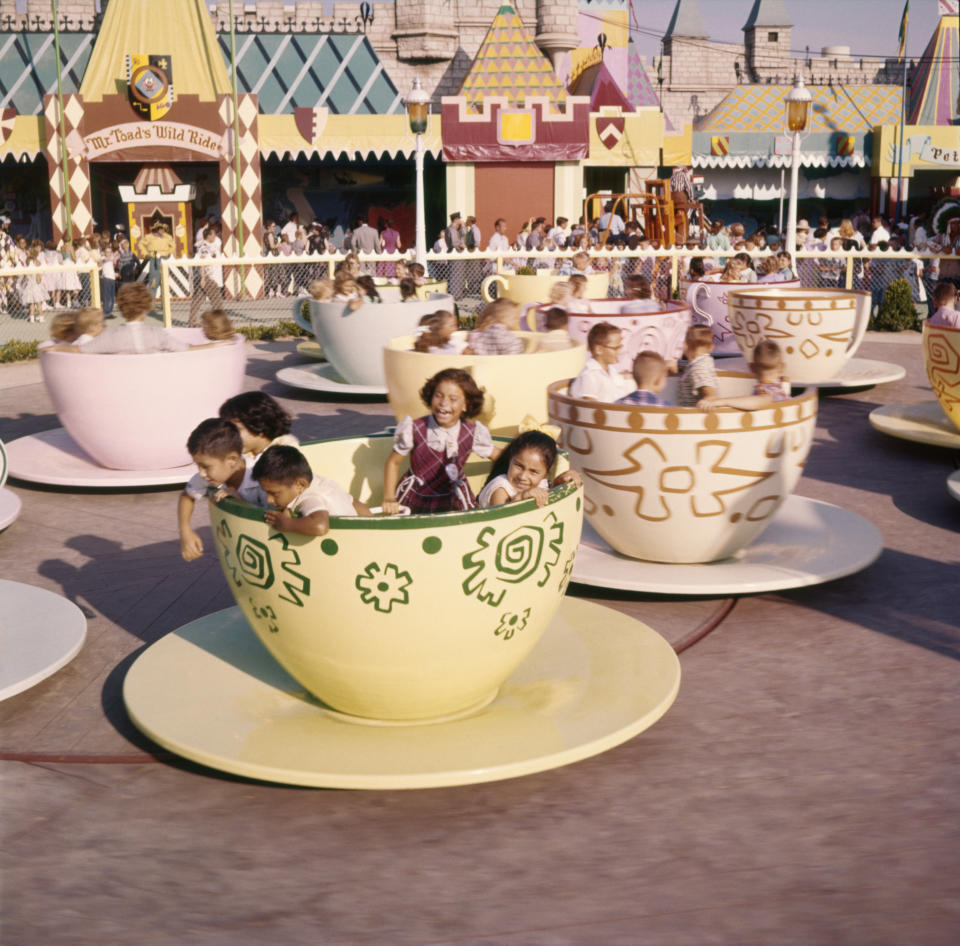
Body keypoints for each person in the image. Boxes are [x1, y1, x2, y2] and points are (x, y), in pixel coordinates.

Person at [382, 368, 501, 514]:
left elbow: (500, 457)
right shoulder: (414, 428)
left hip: (454, 496)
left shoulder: (473, 433)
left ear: (465, 404)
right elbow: (393, 463)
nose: (443, 403)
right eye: (438, 395)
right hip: (417, 495)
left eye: (453, 399)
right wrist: (389, 498)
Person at [178, 418, 265, 561]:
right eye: (198, 466)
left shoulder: (261, 478)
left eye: (206, 466)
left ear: (232, 460)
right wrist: (185, 531)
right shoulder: (211, 475)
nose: (201, 473)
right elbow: (187, 496)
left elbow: (273, 516)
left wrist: (240, 501)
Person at [252, 445, 365, 536]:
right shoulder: (322, 483)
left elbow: (320, 526)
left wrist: (287, 524)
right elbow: (357, 504)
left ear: (300, 485)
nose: (269, 500)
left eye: (274, 493)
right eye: (266, 492)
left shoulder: (308, 497)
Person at [72, 282, 187, 354]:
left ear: (122, 308)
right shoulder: (158, 335)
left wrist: (55, 348)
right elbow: (186, 349)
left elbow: (78, 350)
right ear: (146, 307)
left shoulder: (110, 337)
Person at [477, 430, 581, 508]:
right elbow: (502, 521)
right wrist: (521, 497)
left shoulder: (541, 484)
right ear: (510, 460)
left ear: (546, 473)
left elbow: (548, 500)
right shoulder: (500, 488)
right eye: (518, 466)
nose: (523, 477)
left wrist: (560, 482)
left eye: (533, 472)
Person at [700, 340, 789, 411]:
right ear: (782, 367)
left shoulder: (767, 390)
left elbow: (762, 400)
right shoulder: (778, 387)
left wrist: (723, 402)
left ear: (751, 367)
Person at [219, 391, 298, 459]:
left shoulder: (285, 454)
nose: (229, 436)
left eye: (236, 429)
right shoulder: (245, 453)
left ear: (259, 425)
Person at [569, 322, 633, 401]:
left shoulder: (612, 371)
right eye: (615, 348)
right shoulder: (590, 375)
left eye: (620, 347)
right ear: (599, 350)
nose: (619, 352)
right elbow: (590, 408)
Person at [189, 227, 223, 326]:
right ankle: (220, 321)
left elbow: (217, 243)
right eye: (213, 234)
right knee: (216, 300)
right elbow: (202, 263)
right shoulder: (204, 247)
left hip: (213, 276)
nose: (215, 236)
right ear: (208, 236)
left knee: (198, 299)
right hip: (208, 277)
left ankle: (192, 320)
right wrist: (203, 278)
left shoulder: (213, 243)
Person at [677, 324, 718, 408]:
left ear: (685, 346)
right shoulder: (702, 361)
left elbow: (711, 394)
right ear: (711, 347)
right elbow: (685, 365)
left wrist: (705, 402)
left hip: (693, 415)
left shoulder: (698, 368)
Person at [19, 243, 47, 322]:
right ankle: (41, 316)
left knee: (31, 303)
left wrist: (25, 280)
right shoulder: (36, 262)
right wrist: (39, 280)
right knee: (38, 303)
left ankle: (31, 317)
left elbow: (26, 275)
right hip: (36, 285)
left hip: (30, 285)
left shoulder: (27, 261)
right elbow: (38, 274)